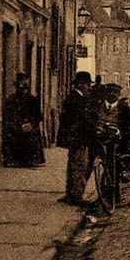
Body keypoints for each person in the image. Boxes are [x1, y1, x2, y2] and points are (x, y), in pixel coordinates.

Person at [56, 72, 96, 205]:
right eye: (88, 84)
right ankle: (76, 196)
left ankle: (70, 194)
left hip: (74, 138)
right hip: (79, 138)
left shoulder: (73, 98)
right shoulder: (77, 100)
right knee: (79, 166)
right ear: (81, 84)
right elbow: (83, 120)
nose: (89, 87)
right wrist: (95, 128)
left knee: (73, 165)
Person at [2, 73, 45, 167]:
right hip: (16, 128)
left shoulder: (33, 100)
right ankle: (14, 159)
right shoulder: (11, 100)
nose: (23, 90)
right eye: (21, 88)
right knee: (13, 134)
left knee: (32, 135)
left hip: (30, 127)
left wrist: (31, 124)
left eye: (25, 88)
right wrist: (18, 125)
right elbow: (8, 116)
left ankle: (32, 159)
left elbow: (38, 117)